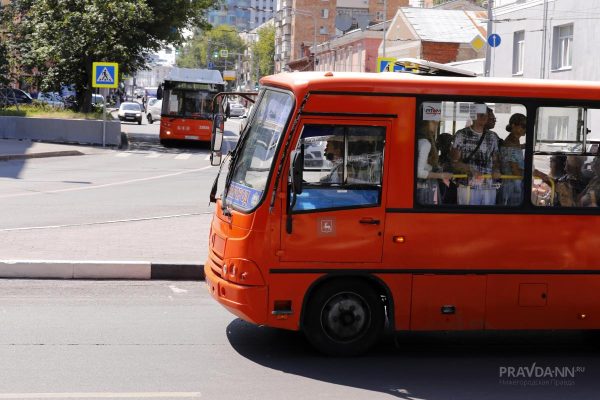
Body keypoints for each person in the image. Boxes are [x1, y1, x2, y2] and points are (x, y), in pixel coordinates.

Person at [451, 104, 501, 205]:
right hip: (468, 186)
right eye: (480, 114)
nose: (484, 116)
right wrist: (471, 170)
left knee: (487, 218)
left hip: (488, 186)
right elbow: (454, 163)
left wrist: (496, 169)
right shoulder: (461, 135)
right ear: (473, 115)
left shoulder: (493, 136)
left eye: (486, 114)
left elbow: (496, 161)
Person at [416, 120, 452, 204]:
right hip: (425, 188)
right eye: (433, 122)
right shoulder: (425, 144)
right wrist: (441, 175)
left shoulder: (418, 140)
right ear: (425, 123)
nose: (436, 125)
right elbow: (419, 172)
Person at [498, 113, 526, 205]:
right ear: (513, 125)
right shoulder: (511, 142)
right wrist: (532, 173)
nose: (525, 128)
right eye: (523, 126)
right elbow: (515, 171)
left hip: (513, 184)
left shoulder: (515, 140)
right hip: (511, 187)